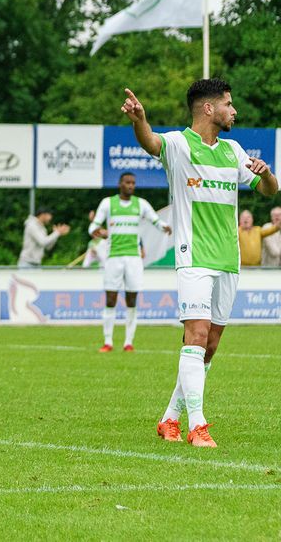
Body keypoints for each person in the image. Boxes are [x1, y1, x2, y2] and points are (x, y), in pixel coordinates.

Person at [121, 79, 276, 448]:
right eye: (228, 103)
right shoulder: (178, 144)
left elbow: (270, 190)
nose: (233, 110)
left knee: (210, 345)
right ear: (209, 108)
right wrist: (139, 119)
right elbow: (150, 142)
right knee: (197, 335)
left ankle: (169, 419)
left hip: (228, 260)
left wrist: (265, 173)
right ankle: (198, 426)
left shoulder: (234, 150)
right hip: (193, 257)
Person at [89, 172, 171, 352]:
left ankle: (128, 342)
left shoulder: (141, 204)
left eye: (133, 183)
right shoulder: (107, 203)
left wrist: (165, 227)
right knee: (111, 299)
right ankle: (108, 341)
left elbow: (156, 221)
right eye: (127, 182)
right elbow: (93, 226)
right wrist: (98, 231)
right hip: (114, 256)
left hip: (134, 258)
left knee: (131, 299)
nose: (131, 186)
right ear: (120, 184)